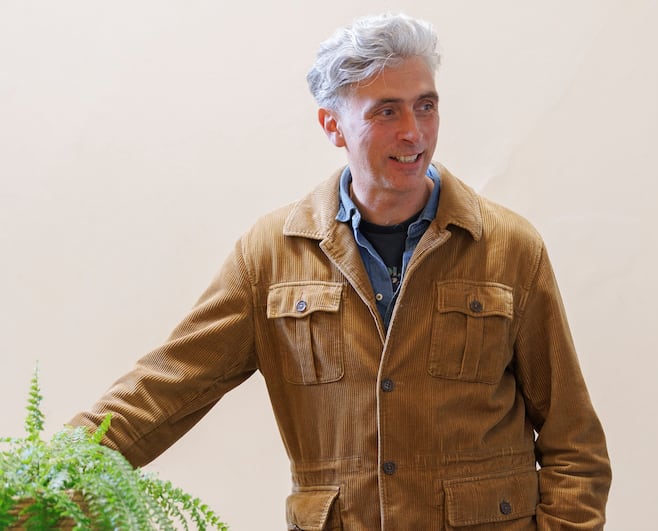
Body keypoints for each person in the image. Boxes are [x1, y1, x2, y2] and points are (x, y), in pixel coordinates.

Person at [70, 12, 612, 529]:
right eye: (386, 111)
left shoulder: (508, 248)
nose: (414, 132)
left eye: (426, 106)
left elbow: (574, 445)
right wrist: (38, 480)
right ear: (333, 125)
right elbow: (164, 391)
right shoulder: (271, 256)